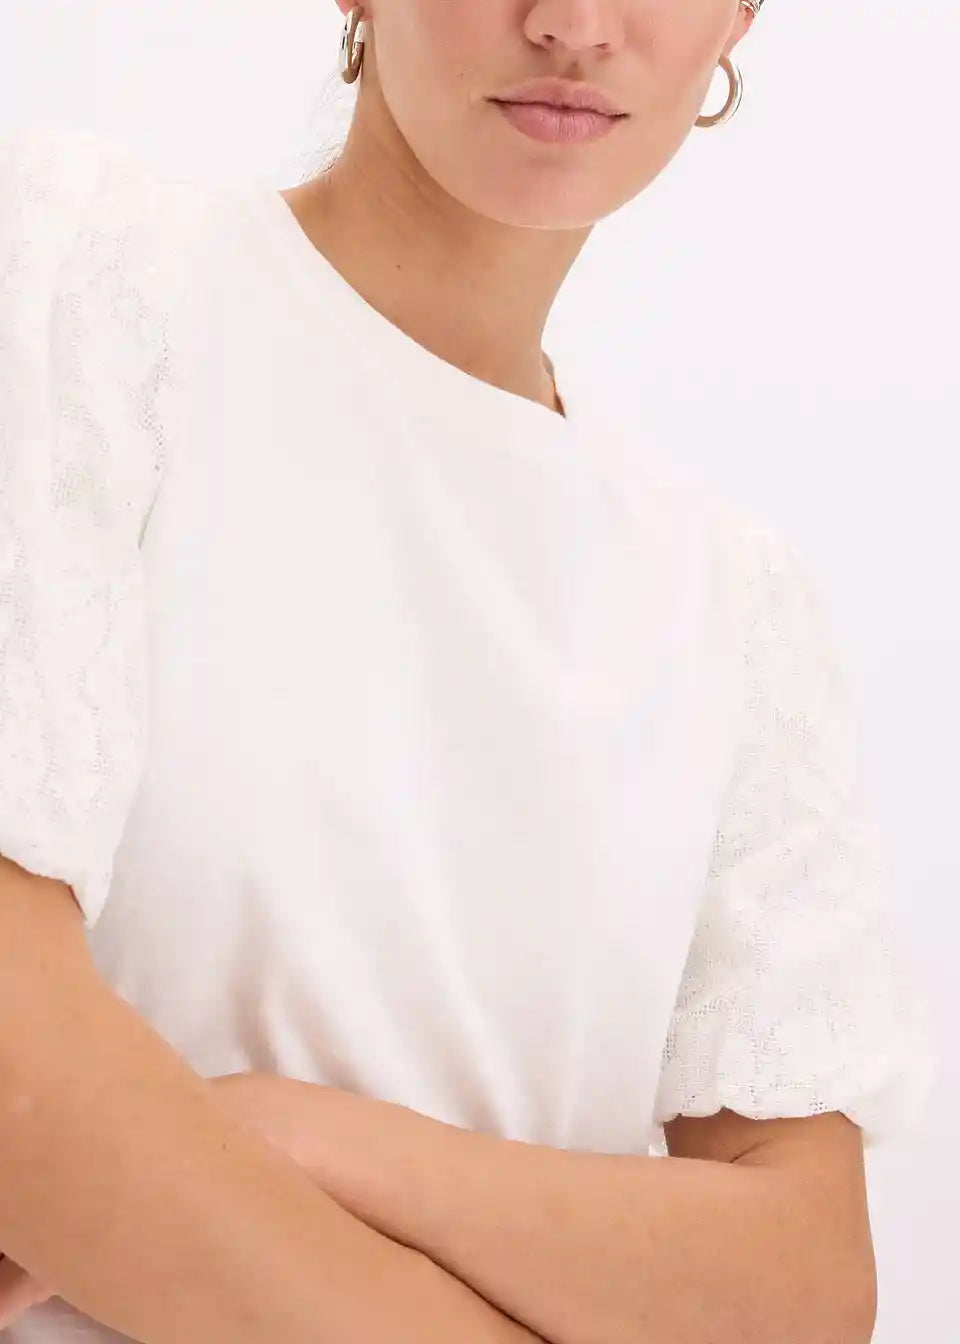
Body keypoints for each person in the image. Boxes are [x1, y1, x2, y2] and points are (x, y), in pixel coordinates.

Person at [0, 2, 938, 1341]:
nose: (573, 25)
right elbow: (17, 1061)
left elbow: (804, 1285)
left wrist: (319, 1139)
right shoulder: (75, 280)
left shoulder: (734, 604)